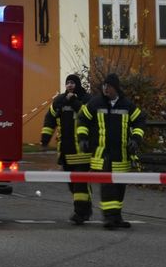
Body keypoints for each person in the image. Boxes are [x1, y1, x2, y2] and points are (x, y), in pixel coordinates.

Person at [76, 73, 145, 229]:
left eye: (109, 86)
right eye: (104, 86)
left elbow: (140, 121)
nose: (106, 89)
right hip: (102, 154)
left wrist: (135, 138)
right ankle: (109, 218)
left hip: (121, 154)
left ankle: (117, 216)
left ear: (116, 88)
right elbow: (82, 120)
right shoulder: (95, 103)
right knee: (107, 186)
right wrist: (82, 138)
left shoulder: (127, 105)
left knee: (119, 187)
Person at [40, 73, 92, 223]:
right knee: (72, 184)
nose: (70, 85)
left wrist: (74, 102)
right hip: (66, 151)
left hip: (81, 150)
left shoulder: (86, 99)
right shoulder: (59, 101)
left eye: (73, 83)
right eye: (67, 83)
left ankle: (80, 213)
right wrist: (45, 138)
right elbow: (50, 119)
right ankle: (85, 209)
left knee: (80, 183)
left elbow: (88, 115)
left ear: (78, 85)